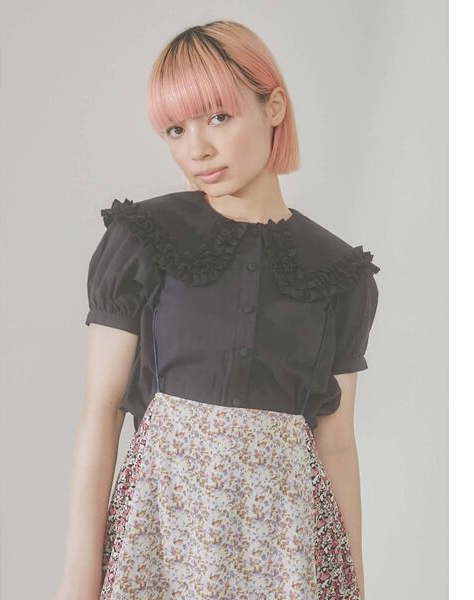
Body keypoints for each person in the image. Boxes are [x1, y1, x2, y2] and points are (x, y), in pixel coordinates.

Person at [56, 20, 380, 600]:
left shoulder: (338, 272)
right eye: (175, 130)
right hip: (161, 532)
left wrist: (354, 586)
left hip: (285, 546)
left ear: (273, 106)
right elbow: (101, 411)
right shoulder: (143, 238)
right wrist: (79, 579)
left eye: (219, 118)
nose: (196, 149)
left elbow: (336, 445)